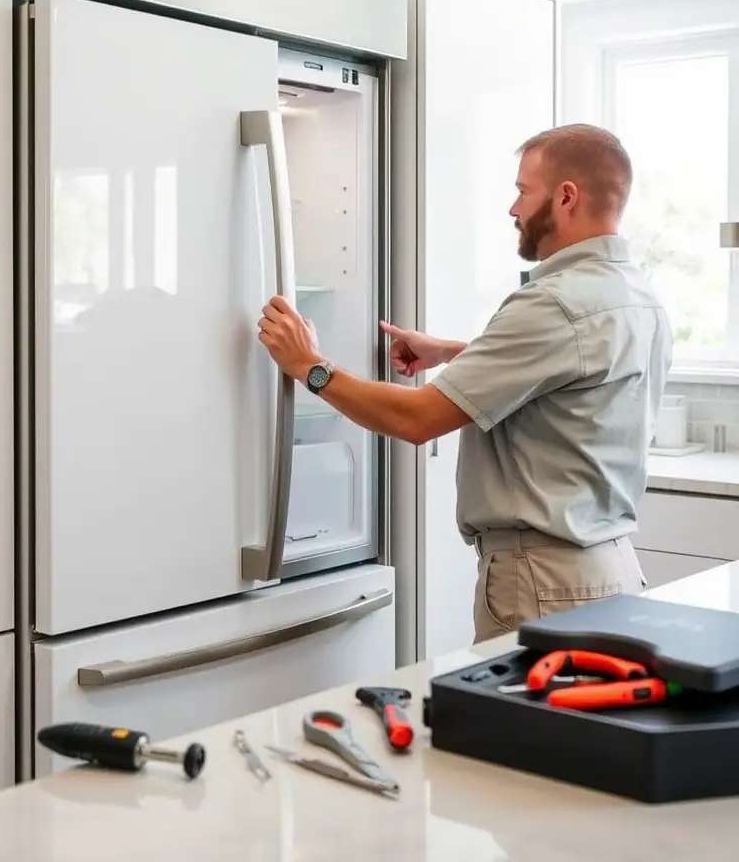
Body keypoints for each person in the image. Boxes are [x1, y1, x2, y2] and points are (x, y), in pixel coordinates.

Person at [257, 123, 672, 643]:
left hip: (543, 582)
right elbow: (574, 372)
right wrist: (453, 352)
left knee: (519, 728)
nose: (513, 208)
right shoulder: (636, 293)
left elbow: (418, 418)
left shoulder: (552, 303)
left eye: (523, 190)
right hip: (611, 572)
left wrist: (310, 366)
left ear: (566, 197)